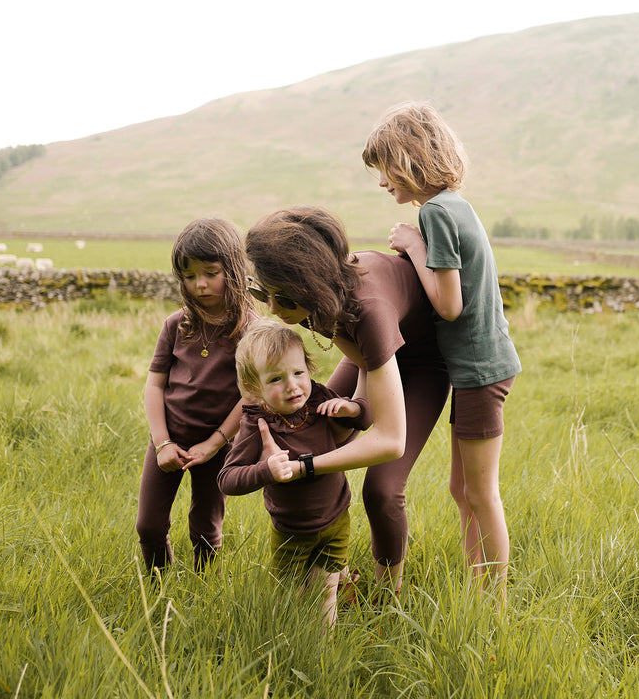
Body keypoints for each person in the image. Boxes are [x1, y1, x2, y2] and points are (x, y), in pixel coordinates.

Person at [244, 205, 450, 598]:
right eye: (263, 293)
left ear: (307, 284)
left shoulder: (368, 310)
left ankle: (388, 598)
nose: (271, 309)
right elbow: (363, 362)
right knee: (316, 431)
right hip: (373, 354)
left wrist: (305, 466)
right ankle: (326, 567)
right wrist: (355, 410)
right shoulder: (317, 300)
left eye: (280, 297)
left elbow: (390, 441)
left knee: (382, 489)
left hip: (422, 363)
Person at [362, 101, 521, 603]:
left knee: (481, 492)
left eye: (386, 169)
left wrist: (411, 245)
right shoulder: (456, 204)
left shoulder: (433, 214)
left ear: (409, 159)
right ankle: (477, 582)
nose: (383, 183)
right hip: (482, 366)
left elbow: (449, 305)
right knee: (462, 490)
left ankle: (491, 602)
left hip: (478, 371)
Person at [217, 319, 372, 631]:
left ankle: (322, 649)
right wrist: (266, 469)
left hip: (336, 520)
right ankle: (283, 644)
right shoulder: (257, 422)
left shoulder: (317, 398)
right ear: (254, 388)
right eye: (276, 378)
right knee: (288, 596)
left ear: (308, 368)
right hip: (291, 532)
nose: (292, 385)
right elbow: (227, 479)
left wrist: (351, 409)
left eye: (298, 372)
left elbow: (366, 419)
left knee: (325, 592)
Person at [136, 218, 255, 572]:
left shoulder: (250, 330)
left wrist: (215, 444)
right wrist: (162, 443)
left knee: (206, 527)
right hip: (168, 440)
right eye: (189, 276)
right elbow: (155, 384)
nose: (200, 284)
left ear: (233, 269)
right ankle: (158, 589)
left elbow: (251, 394)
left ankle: (204, 591)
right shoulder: (176, 324)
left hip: (219, 445)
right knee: (149, 525)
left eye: (210, 272)